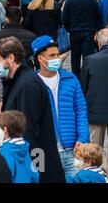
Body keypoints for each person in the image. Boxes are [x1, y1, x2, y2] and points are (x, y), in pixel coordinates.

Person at [0, 37, 65, 182]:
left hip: (37, 165)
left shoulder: (27, 84)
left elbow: (29, 132)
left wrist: (32, 173)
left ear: (11, 58)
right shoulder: (18, 81)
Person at [31, 35, 90, 177]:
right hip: (43, 151)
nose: (57, 58)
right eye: (52, 55)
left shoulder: (70, 79)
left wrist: (83, 138)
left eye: (58, 54)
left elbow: (81, 110)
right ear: (40, 58)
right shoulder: (31, 83)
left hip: (73, 150)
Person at [80, 28, 108, 176]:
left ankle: (102, 172)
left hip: (94, 111)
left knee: (95, 146)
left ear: (98, 42)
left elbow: (83, 87)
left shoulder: (89, 60)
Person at [62, 0, 102, 76]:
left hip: (74, 32)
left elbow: (64, 18)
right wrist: (97, 30)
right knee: (88, 56)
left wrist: (70, 29)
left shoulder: (69, 1)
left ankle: (76, 75)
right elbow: (98, 17)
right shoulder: (92, 0)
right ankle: (87, 75)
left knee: (75, 56)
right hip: (89, 32)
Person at [0, 110, 39, 183]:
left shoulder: (5, 151)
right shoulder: (25, 148)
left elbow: (4, 177)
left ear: (5, 130)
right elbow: (35, 175)